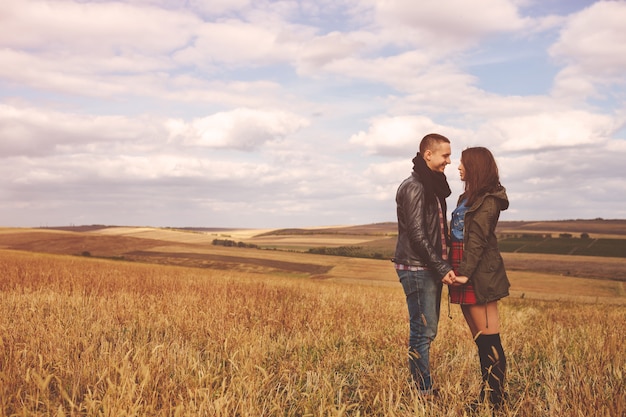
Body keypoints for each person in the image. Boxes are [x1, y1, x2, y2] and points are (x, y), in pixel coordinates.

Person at [392, 133, 458, 396]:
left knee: (427, 330)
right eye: (445, 155)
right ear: (428, 154)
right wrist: (442, 268)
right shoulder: (415, 187)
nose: (449, 161)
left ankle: (421, 387)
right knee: (423, 331)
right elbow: (418, 235)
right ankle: (423, 393)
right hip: (418, 268)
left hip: (427, 267)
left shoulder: (431, 185)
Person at [449, 147, 510, 410]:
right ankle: (487, 395)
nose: (458, 167)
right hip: (463, 266)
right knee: (479, 339)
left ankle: (496, 401)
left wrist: (464, 274)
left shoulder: (488, 199)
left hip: (477, 272)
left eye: (462, 163)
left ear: (474, 166)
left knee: (489, 339)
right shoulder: (467, 196)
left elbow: (478, 241)